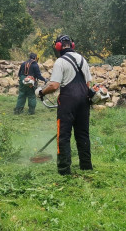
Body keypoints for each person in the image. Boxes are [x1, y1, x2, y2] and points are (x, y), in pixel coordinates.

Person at [35, 35, 93, 175]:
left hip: (68, 102)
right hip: (84, 101)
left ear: (58, 46)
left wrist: (41, 92)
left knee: (64, 136)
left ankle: (64, 170)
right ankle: (86, 166)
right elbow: (88, 84)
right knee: (83, 134)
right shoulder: (83, 59)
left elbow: (54, 85)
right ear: (71, 45)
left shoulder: (60, 62)